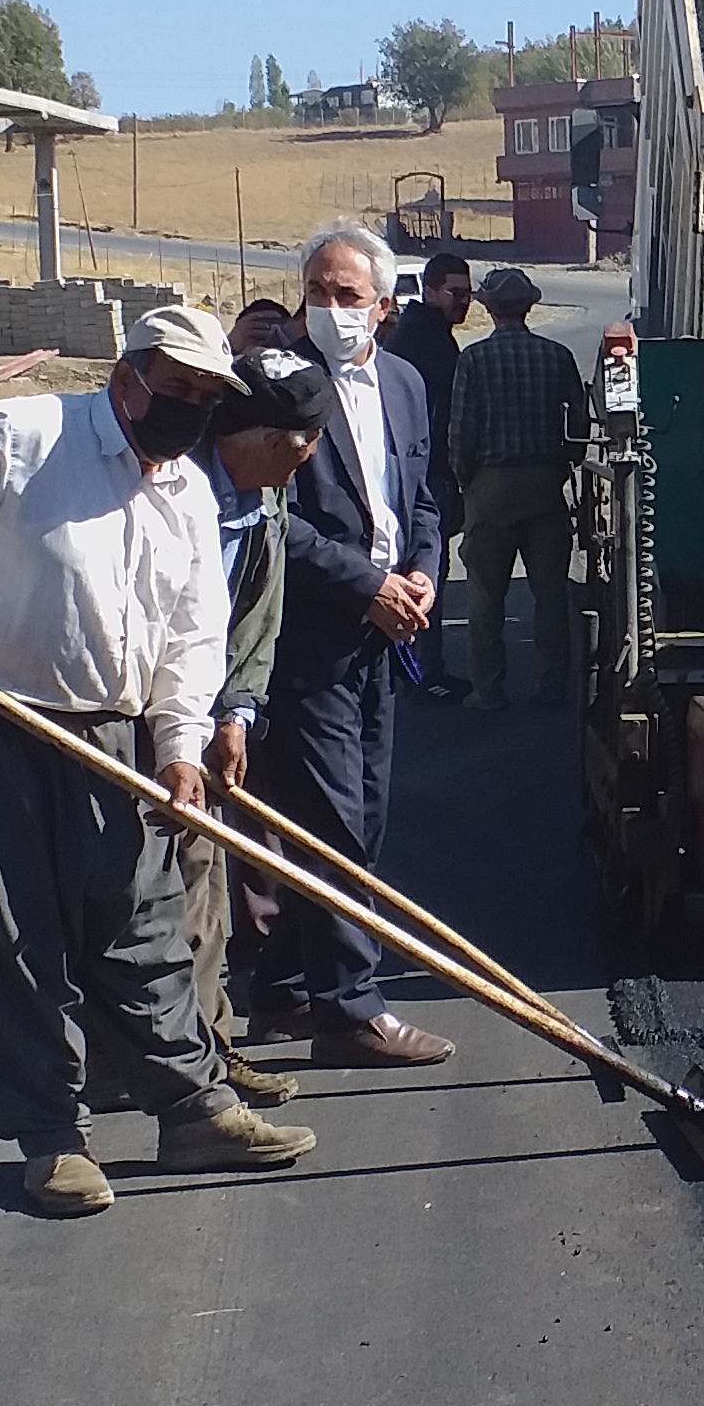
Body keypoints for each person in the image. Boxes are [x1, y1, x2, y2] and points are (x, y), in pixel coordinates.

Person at [0, 304, 316, 1215]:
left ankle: (193, 1110)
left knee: (141, 923)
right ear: (127, 376)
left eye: (203, 395)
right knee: (10, 934)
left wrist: (180, 743)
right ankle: (51, 1138)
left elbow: (194, 634)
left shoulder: (183, 494)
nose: (186, 410)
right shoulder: (27, 435)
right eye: (175, 389)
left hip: (116, 733)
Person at [235, 224, 454, 1067]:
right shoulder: (275, 385)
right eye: (317, 293)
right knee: (337, 824)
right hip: (312, 637)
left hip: (387, 639)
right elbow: (267, 519)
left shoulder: (401, 382)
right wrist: (368, 588)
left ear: (384, 308)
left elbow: (421, 497)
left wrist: (424, 576)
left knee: (366, 814)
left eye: (348, 296)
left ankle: (287, 991)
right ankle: (351, 1009)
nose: (329, 310)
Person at [182, 343, 339, 1108]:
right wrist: (184, 722)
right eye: (301, 450)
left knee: (205, 895)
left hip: (212, 710)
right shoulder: (174, 491)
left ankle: (207, 1051)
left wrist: (237, 711)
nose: (305, 466)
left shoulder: (266, 495)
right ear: (269, 443)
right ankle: (144, 1067)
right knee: (145, 904)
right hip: (146, 713)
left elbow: (258, 616)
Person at [441, 267, 586, 710]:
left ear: (488, 307)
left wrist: (467, 483)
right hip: (545, 484)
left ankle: (488, 690)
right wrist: (563, 466)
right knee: (549, 594)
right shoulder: (557, 356)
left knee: (485, 595)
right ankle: (552, 685)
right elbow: (577, 428)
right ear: (529, 306)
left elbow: (460, 431)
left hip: (491, 486)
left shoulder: (474, 359)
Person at [384, 253, 476, 699]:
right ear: (431, 291)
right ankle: (423, 671)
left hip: (423, 471)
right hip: (423, 474)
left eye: (468, 295)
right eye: (455, 294)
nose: (463, 303)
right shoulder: (425, 339)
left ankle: (417, 667)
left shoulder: (429, 333)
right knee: (426, 572)